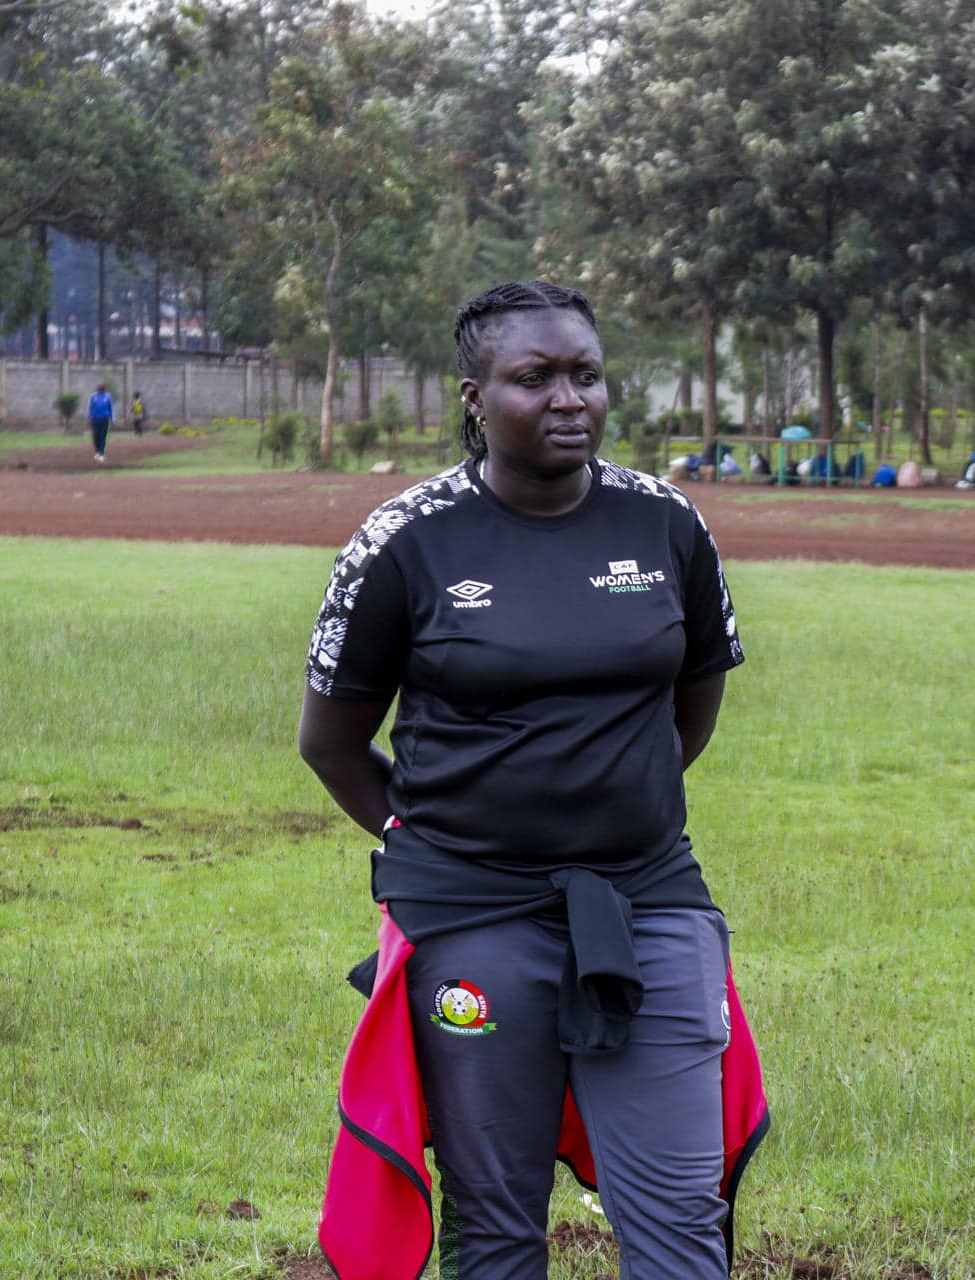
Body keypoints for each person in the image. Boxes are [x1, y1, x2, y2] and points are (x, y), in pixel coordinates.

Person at [301, 281, 768, 1280]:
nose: (569, 398)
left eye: (586, 375)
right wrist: (442, 842)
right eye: (535, 377)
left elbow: (691, 708)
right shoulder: (404, 540)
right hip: (471, 914)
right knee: (496, 1223)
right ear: (473, 394)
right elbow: (333, 743)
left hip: (648, 898)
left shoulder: (667, 525)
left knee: (684, 1213)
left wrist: (604, 802)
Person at [87, 381, 114, 462]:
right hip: (95, 419)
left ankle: (101, 453)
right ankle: (97, 452)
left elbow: (110, 407)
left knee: (103, 436)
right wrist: (89, 417)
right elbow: (90, 407)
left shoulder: (108, 396)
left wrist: (112, 418)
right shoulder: (93, 396)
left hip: (104, 419)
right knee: (95, 436)